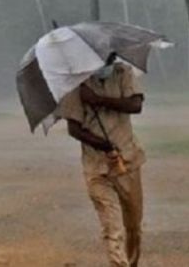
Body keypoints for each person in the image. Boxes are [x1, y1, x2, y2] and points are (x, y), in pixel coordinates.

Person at [55, 52, 146, 267]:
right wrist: (102, 145)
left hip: (128, 161)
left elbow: (135, 105)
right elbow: (74, 129)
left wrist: (98, 100)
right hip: (96, 167)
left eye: (109, 59)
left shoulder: (124, 72)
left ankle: (132, 263)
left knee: (133, 226)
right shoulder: (76, 84)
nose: (104, 64)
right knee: (112, 227)